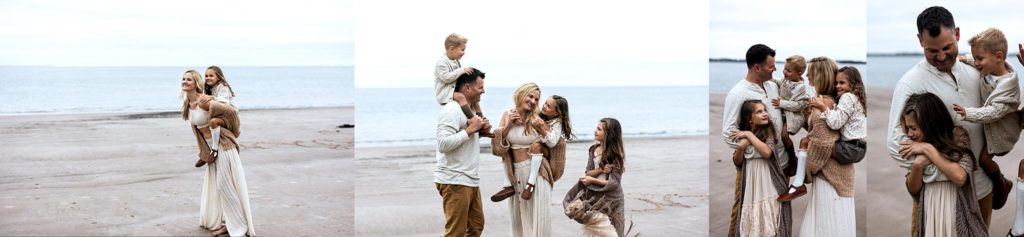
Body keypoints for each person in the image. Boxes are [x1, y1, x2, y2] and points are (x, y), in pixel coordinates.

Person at [886, 6, 993, 225]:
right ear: (920, 41)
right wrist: (947, 172)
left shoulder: (975, 72)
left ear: (958, 34)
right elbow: (896, 143)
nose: (942, 56)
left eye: (948, 47)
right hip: (936, 196)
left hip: (981, 189)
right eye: (933, 51)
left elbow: (1001, 105)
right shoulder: (910, 83)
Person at [900, 93, 987, 236]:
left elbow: (960, 177)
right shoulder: (915, 145)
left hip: (954, 210)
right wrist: (917, 166)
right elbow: (914, 189)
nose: (909, 133)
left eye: (913, 128)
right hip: (930, 210)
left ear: (929, 124)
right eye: (907, 128)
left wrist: (928, 150)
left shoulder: (957, 136)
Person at [181, 69, 255, 237]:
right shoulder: (188, 104)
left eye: (188, 80)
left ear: (196, 83)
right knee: (217, 188)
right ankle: (227, 222)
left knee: (224, 186)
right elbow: (197, 131)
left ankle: (237, 225)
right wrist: (204, 153)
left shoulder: (205, 101)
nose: (184, 82)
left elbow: (232, 112)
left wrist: (215, 104)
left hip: (223, 145)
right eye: (183, 79)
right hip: (211, 150)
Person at [795, 58, 858, 236]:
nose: (807, 76)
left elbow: (822, 145)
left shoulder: (825, 105)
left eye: (810, 72)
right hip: (839, 174)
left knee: (827, 227)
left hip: (830, 177)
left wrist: (805, 173)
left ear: (820, 75)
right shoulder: (832, 102)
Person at [491, 82, 562, 236]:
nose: (533, 101)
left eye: (537, 99)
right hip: (514, 173)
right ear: (522, 94)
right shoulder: (507, 114)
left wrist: (540, 127)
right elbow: (498, 145)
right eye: (530, 96)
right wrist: (509, 124)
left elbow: (553, 141)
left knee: (539, 218)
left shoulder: (536, 118)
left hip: (537, 174)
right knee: (519, 219)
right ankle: (507, 185)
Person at [435, 70, 490, 237]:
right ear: (467, 87)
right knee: (455, 233)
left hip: (469, 179)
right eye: (480, 87)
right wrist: (470, 130)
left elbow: (466, 139)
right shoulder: (452, 109)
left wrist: (479, 132)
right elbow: (443, 144)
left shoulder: (469, 110)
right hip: (454, 180)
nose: (483, 91)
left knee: (475, 227)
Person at [727, 100, 791, 236]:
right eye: (759, 112)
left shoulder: (768, 130)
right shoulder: (742, 135)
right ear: (750, 118)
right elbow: (738, 162)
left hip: (768, 183)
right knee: (753, 223)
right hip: (752, 184)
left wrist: (749, 136)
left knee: (771, 220)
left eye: (764, 110)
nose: (764, 114)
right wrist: (741, 147)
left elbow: (767, 152)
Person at [563, 118, 627, 237]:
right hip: (596, 197)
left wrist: (592, 180)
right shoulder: (593, 150)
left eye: (599, 129)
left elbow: (614, 183)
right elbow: (588, 172)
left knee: (616, 232)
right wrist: (600, 170)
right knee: (596, 231)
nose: (595, 131)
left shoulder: (616, 155)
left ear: (609, 133)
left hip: (614, 200)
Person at [434, 33, 491, 137]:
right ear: (451, 48)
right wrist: (462, 70)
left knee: (475, 102)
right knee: (461, 97)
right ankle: (473, 120)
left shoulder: (455, 61)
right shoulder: (441, 63)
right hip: (445, 92)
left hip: (453, 89)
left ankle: (481, 122)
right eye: (462, 50)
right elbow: (446, 78)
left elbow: (459, 76)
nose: (464, 53)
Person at [771, 55, 810, 177]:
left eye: (788, 70)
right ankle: (785, 159)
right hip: (784, 114)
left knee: (784, 135)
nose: (785, 72)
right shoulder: (785, 79)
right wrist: (769, 78)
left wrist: (781, 103)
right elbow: (778, 82)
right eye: (784, 69)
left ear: (799, 73)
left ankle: (793, 160)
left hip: (794, 116)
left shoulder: (801, 88)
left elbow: (799, 105)